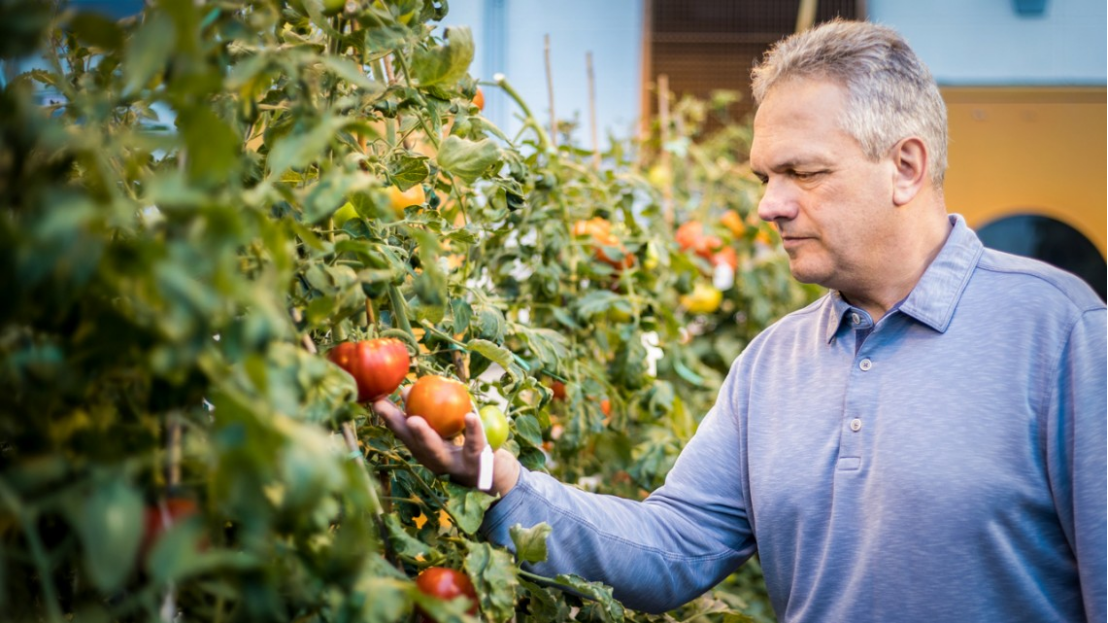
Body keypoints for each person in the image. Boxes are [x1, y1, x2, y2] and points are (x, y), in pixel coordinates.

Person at [374, 19, 1107, 623]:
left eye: (803, 173)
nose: (769, 205)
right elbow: (672, 548)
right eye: (765, 177)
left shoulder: (1061, 334)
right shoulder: (772, 363)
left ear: (907, 166)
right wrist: (501, 480)